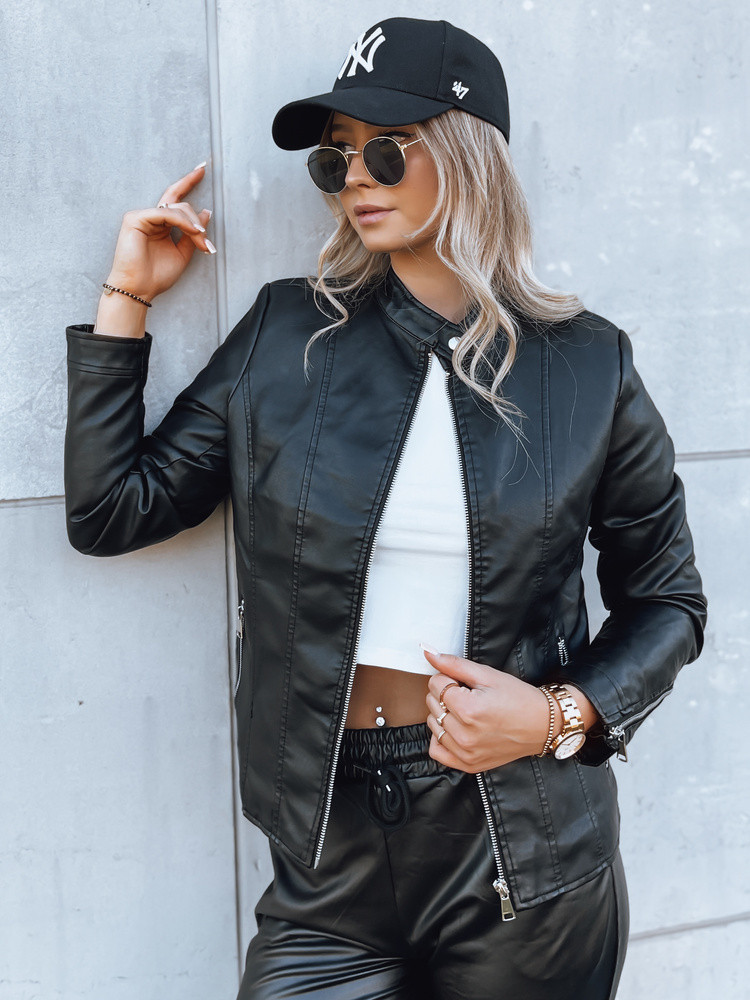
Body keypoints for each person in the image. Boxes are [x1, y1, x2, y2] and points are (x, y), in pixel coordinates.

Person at [63, 16, 707, 1000]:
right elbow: (112, 510)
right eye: (337, 159)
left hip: (524, 855)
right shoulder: (289, 335)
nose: (356, 179)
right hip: (329, 859)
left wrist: (553, 716)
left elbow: (668, 601)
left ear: (467, 153)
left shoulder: (587, 366)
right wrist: (127, 297)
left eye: (388, 151)